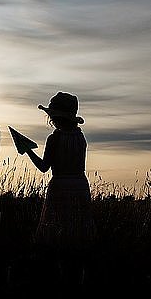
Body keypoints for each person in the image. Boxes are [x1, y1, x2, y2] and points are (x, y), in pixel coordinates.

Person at [24, 92, 95, 251]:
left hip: (60, 187)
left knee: (55, 232)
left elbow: (43, 167)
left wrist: (27, 150)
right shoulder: (81, 137)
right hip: (81, 187)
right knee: (78, 231)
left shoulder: (54, 138)